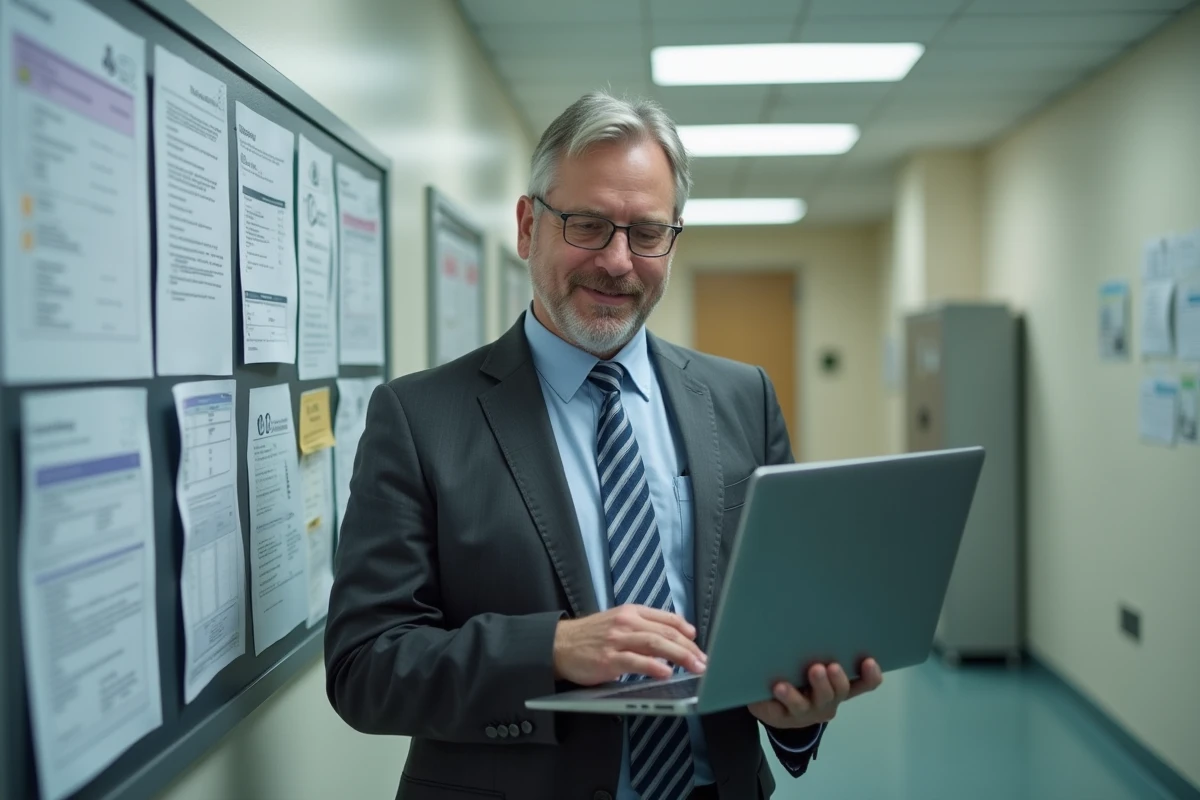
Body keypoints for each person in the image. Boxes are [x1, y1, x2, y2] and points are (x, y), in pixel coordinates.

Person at [324, 90, 884, 800]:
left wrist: (797, 713)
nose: (619, 262)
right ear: (528, 226)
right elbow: (364, 666)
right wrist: (552, 649)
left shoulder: (743, 398)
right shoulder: (420, 418)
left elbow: (781, 616)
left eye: (647, 233)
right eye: (588, 225)